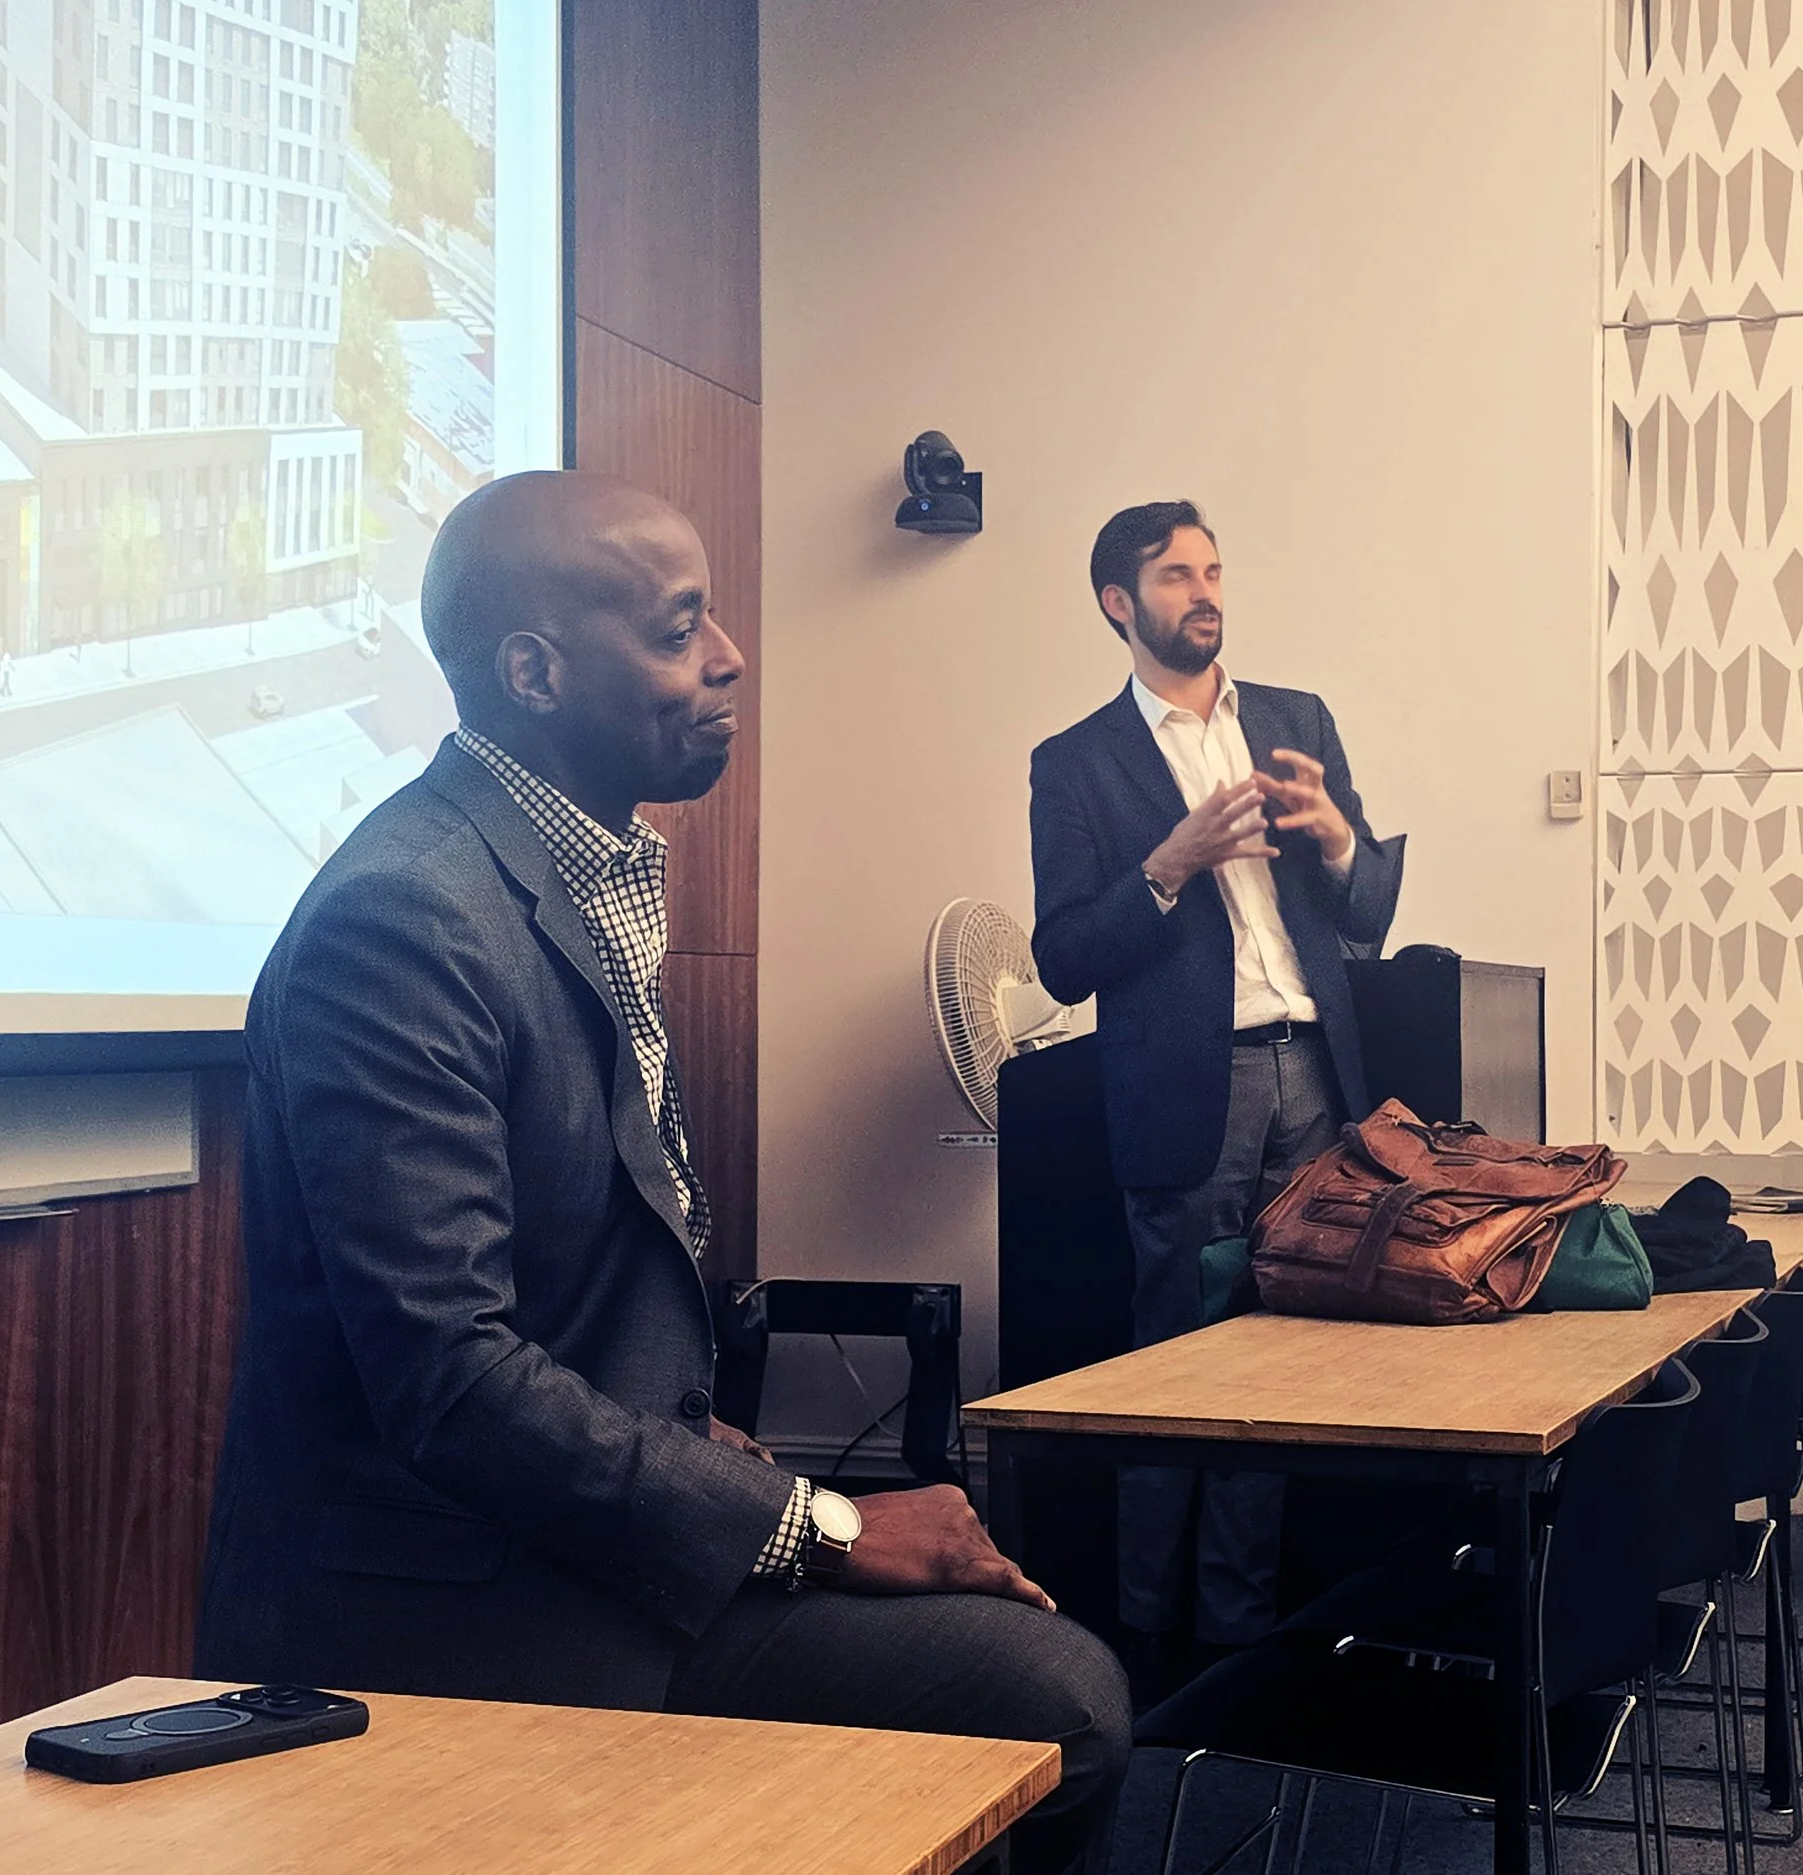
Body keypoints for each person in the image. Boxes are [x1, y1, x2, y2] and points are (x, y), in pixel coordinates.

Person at [196, 471, 1127, 1873]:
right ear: (535, 669)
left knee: (1002, 1702)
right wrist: (827, 1518)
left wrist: (724, 1456)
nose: (731, 652)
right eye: (682, 624)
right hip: (453, 1600)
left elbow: (579, 1294)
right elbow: (452, 1378)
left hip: (590, 1530)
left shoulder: (573, 872)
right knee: (1059, 1699)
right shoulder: (402, 920)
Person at [1028, 499, 1405, 1688]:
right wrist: (1170, 863)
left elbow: (1369, 915)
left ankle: (1239, 1633)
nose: (1205, 590)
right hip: (1192, 1092)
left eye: (1212, 568)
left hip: (1315, 1076)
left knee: (1280, 1364)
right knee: (1177, 1367)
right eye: (1176, 574)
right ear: (1117, 603)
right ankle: (1145, 1643)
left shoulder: (1295, 722)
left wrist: (1340, 840)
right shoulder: (1076, 763)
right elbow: (1063, 958)